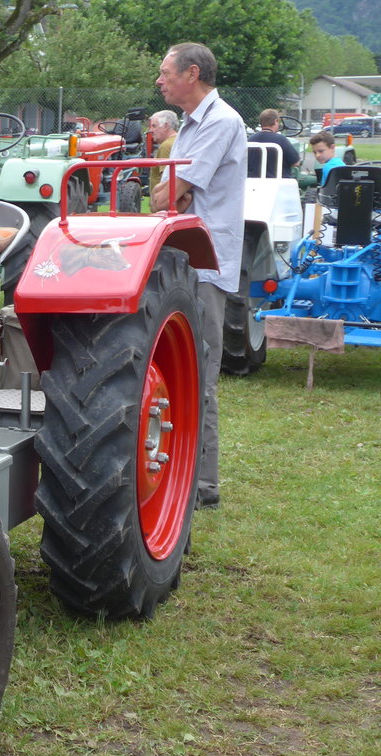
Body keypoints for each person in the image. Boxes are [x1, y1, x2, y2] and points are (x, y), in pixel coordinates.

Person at [150, 42, 246, 511]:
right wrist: (173, 193)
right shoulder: (192, 124)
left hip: (206, 265)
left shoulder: (222, 121)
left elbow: (169, 194)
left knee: (199, 374)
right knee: (177, 371)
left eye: (165, 72)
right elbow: (168, 192)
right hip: (185, 257)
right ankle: (179, 474)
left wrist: (174, 194)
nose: (159, 80)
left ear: (192, 73)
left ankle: (203, 486)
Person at [246, 109, 300, 177]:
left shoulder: (250, 140)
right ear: (276, 121)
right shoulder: (281, 140)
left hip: (254, 183)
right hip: (279, 183)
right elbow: (296, 163)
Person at [147, 109, 178, 193]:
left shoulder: (166, 146)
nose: (150, 130)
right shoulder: (179, 142)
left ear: (166, 126)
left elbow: (165, 180)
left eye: (154, 126)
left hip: (162, 201)